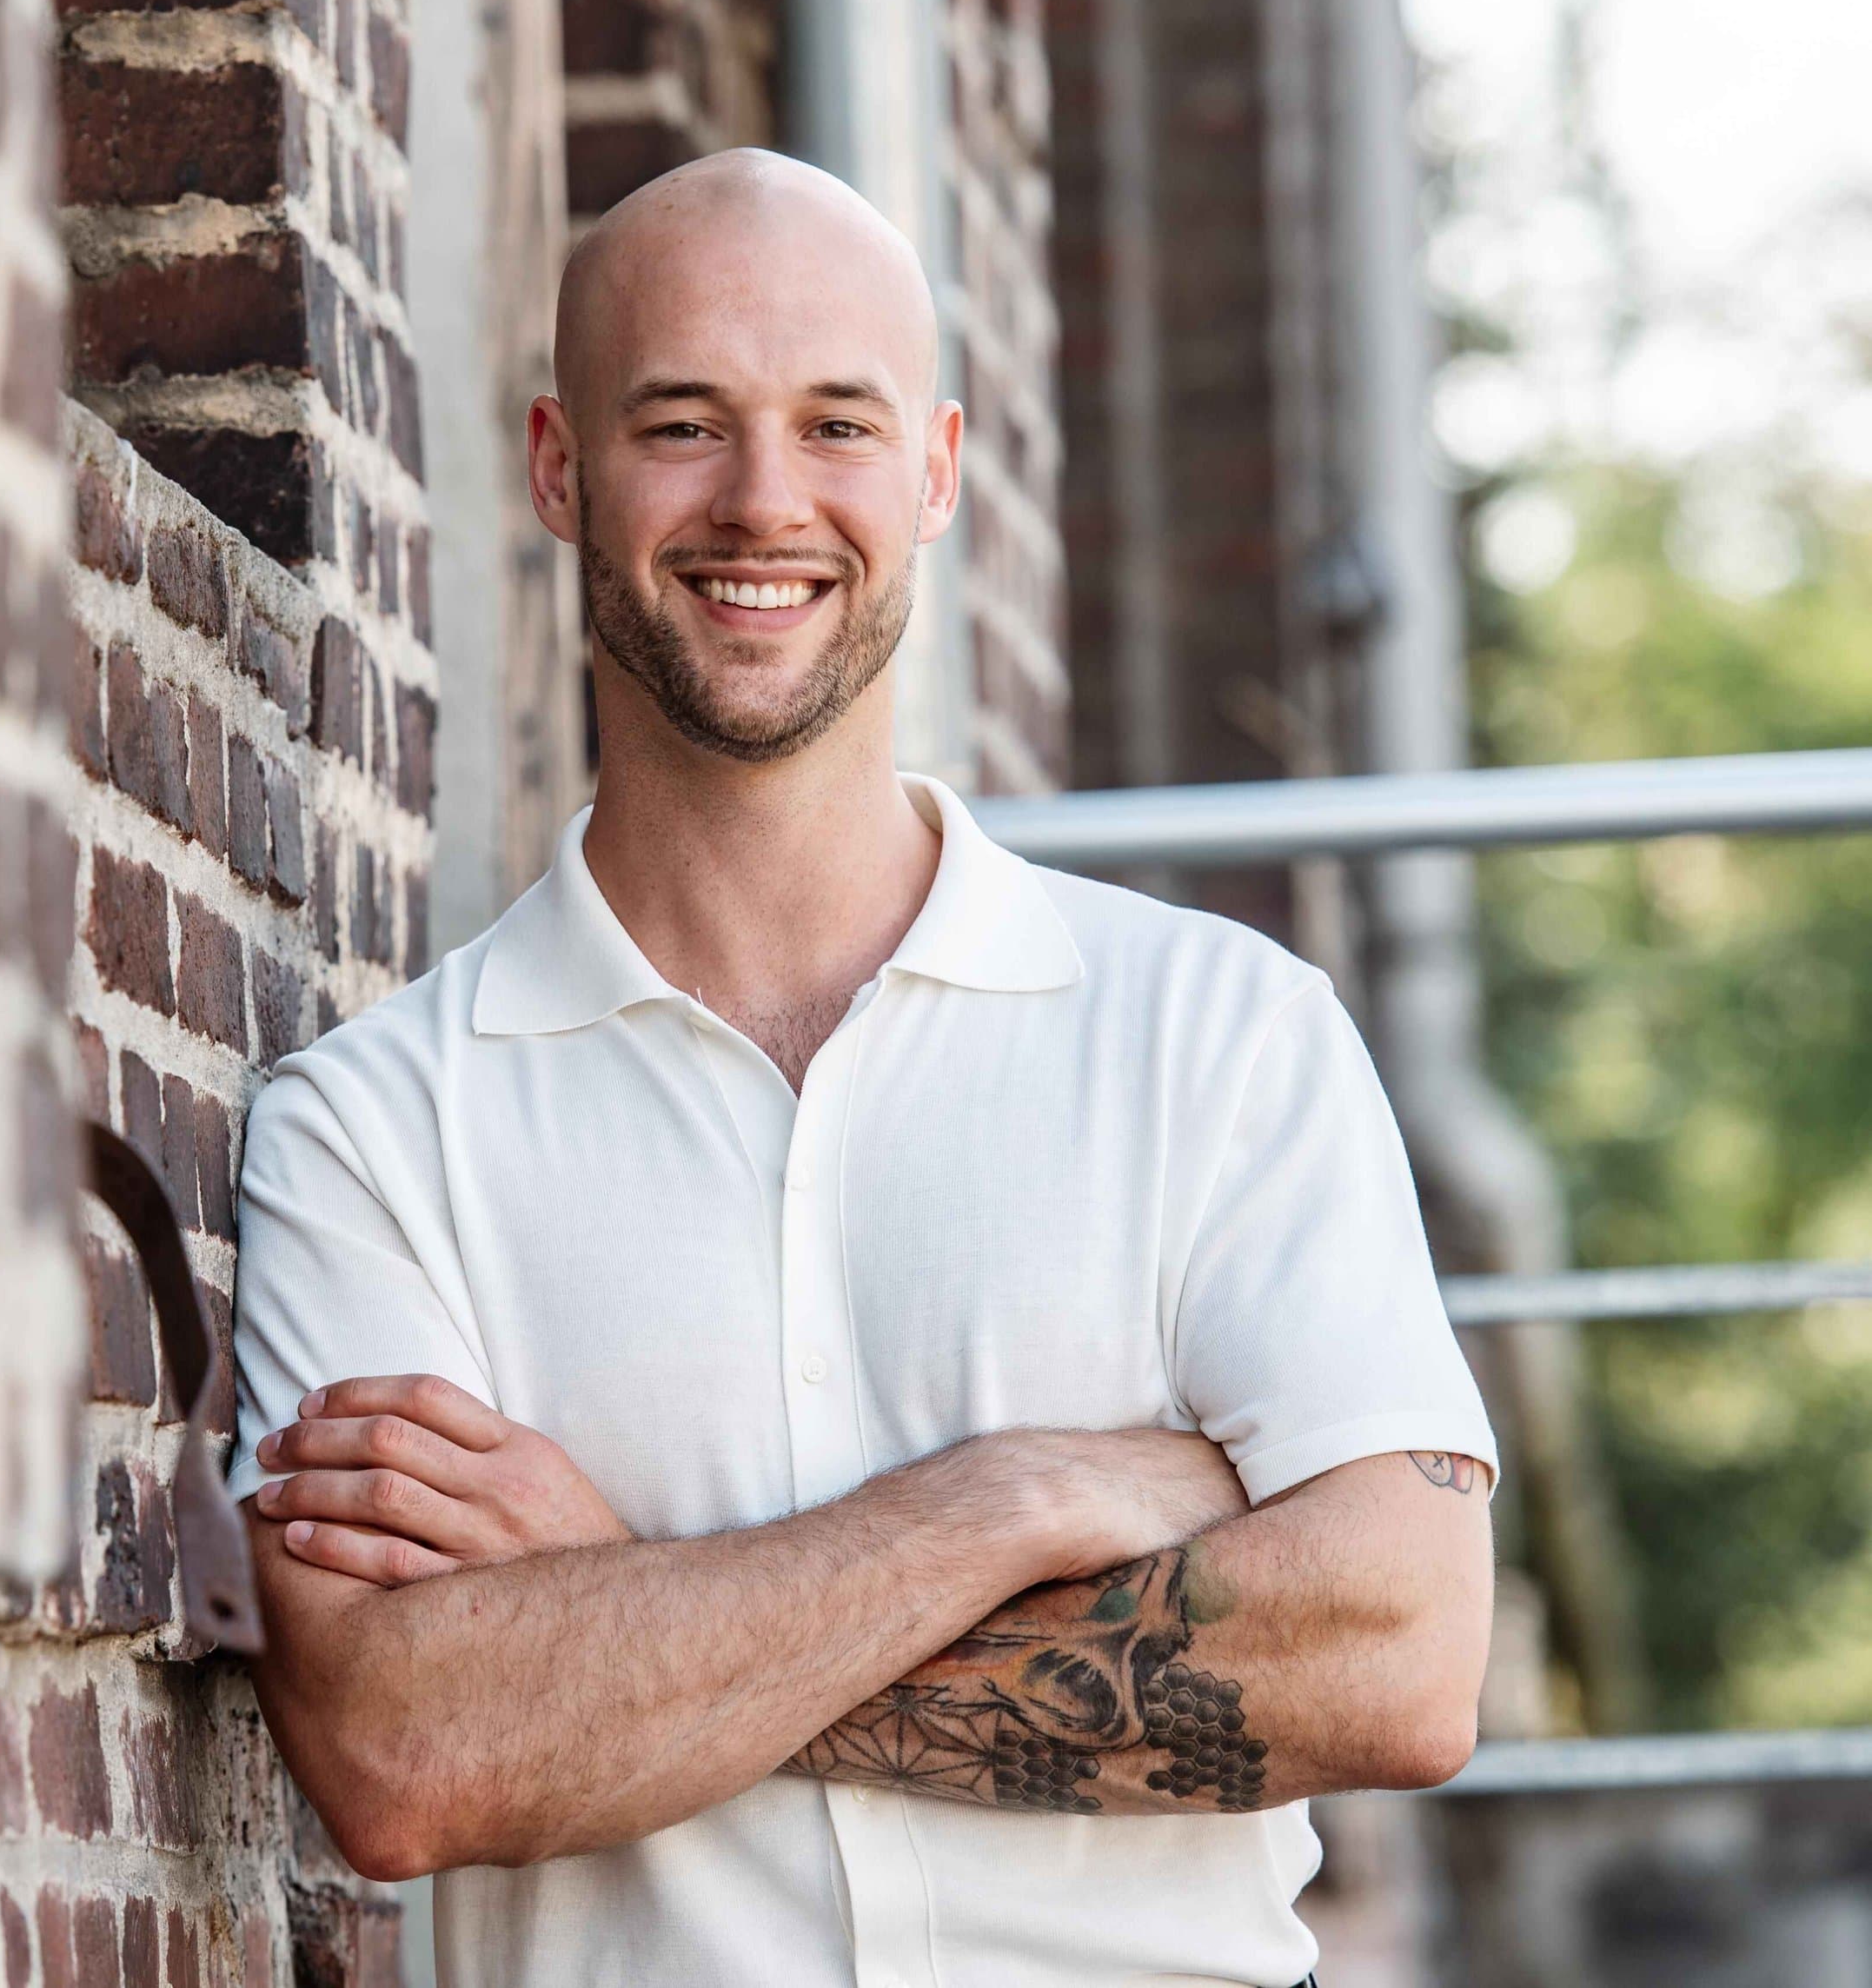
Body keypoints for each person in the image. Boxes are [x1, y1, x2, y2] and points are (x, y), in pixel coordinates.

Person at [227, 149, 1497, 1988]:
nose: (764, 502)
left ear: (936, 471)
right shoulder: (373, 1128)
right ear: (559, 466)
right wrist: (1009, 1499)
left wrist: (622, 1608)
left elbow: (1394, 1661)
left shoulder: (1218, 1032)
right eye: (682, 423)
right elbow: (410, 1753)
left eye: (837, 424)